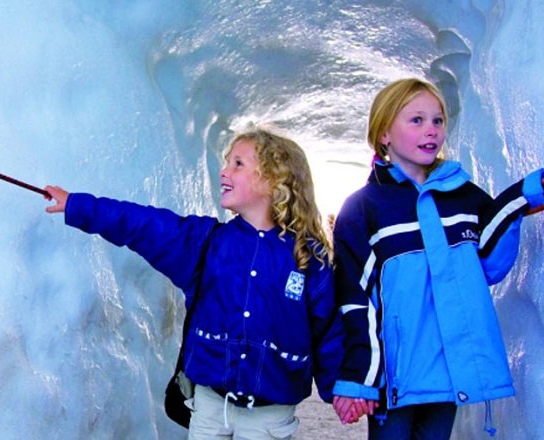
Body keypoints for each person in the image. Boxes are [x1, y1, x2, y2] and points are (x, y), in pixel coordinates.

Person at [44, 127, 343, 440]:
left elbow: (328, 328)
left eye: (238, 164)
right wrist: (77, 205)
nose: (224, 171)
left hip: (269, 418)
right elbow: (142, 224)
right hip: (210, 409)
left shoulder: (308, 258)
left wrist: (340, 387)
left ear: (275, 179)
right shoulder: (206, 243)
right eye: (226, 162)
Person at [330, 78, 544, 439]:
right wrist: (361, 379)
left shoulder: (462, 195)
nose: (431, 130)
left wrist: (518, 200)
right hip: (397, 376)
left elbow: (489, 263)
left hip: (449, 368)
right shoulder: (364, 208)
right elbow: (356, 300)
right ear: (384, 133)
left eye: (438, 120)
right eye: (416, 120)